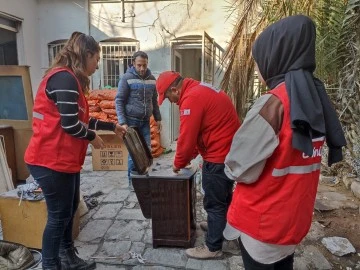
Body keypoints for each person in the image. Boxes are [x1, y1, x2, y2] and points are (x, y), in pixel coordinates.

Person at [222, 15, 346, 269]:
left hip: (262, 223)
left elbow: (239, 168)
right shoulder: (316, 98)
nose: (258, 68)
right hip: (293, 220)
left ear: (276, 55)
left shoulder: (275, 103)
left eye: (258, 61)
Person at [24, 32, 126, 270]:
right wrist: (93, 138)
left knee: (69, 212)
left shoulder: (71, 81)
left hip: (64, 161)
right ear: (86, 54)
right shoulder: (64, 79)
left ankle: (68, 259)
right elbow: (70, 125)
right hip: (49, 160)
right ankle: (51, 265)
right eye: (97, 59)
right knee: (58, 216)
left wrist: (112, 126)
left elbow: (82, 119)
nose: (98, 65)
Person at [156, 71, 241, 259]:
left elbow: (186, 139)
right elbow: (199, 134)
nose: (171, 102)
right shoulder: (199, 89)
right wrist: (188, 158)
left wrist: (178, 163)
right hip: (227, 153)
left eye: (168, 97)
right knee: (223, 198)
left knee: (214, 203)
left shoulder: (191, 99)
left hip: (218, 157)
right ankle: (217, 228)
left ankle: (213, 248)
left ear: (175, 90)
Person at [115, 51, 162, 189]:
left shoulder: (152, 79)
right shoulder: (126, 78)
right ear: (133, 64)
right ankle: (133, 183)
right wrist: (123, 122)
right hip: (131, 122)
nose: (142, 68)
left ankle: (144, 180)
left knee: (146, 151)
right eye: (139, 65)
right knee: (133, 154)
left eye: (144, 65)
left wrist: (158, 118)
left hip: (145, 122)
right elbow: (119, 101)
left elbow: (154, 100)